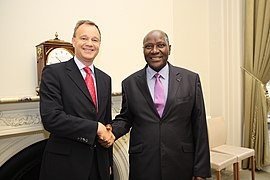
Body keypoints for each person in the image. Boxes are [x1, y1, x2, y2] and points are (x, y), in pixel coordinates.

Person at [110, 30, 211, 180]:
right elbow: (126, 118)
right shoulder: (130, 83)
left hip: (181, 162)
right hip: (144, 163)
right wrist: (110, 131)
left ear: (169, 48)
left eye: (161, 45)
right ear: (143, 50)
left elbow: (199, 125)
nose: (155, 51)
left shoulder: (190, 79)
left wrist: (201, 170)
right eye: (149, 46)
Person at [39, 20, 115, 180]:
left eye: (95, 40)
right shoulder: (53, 73)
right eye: (84, 38)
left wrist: (107, 162)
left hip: (98, 166)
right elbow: (51, 119)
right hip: (65, 167)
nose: (89, 44)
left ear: (100, 44)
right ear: (73, 41)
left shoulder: (105, 79)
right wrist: (95, 128)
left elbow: (106, 123)